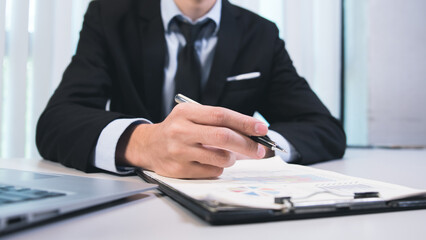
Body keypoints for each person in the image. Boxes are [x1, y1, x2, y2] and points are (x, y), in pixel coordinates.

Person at [36, 0, 346, 179]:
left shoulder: (260, 33)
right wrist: (144, 144)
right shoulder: (110, 15)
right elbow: (56, 122)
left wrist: (253, 150)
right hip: (133, 200)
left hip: (229, 198)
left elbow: (324, 128)